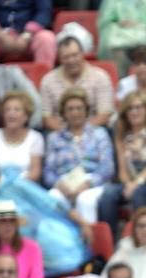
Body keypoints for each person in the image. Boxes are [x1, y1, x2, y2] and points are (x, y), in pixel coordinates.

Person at [0, 152, 91, 274]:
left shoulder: (16, 185)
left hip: (41, 240)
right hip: (0, 253)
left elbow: (52, 203)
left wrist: (82, 223)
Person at [97, 91, 146, 238]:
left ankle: (141, 238)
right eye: (130, 108)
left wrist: (136, 183)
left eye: (139, 107)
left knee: (138, 193)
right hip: (131, 180)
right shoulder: (121, 132)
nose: (135, 112)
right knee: (108, 194)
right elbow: (122, 167)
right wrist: (128, 183)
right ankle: (110, 241)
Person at [43, 88, 115, 226]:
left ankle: (89, 242)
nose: (75, 113)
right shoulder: (54, 138)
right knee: (53, 198)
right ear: (63, 113)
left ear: (86, 111)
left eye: (79, 108)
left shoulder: (99, 134)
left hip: (92, 181)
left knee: (85, 199)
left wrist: (87, 184)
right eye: (70, 109)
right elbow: (48, 171)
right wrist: (59, 185)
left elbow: (107, 168)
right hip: (64, 182)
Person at [40, 35, 114, 133]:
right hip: (60, 133)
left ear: (82, 54)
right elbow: (47, 117)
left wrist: (80, 132)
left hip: (94, 132)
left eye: (75, 55)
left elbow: (105, 114)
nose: (71, 60)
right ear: (59, 59)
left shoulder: (100, 77)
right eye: (66, 57)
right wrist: (68, 133)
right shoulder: (48, 80)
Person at [0, 90, 44, 180]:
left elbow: (35, 172)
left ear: (26, 115)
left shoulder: (36, 138)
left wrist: (16, 184)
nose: (11, 114)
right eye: (7, 110)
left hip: (24, 188)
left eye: (17, 110)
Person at [0, 0, 56, 67]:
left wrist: (27, 35)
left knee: (47, 38)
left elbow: (44, 13)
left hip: (30, 34)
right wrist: (0, 34)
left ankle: (43, 80)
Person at [97, 0, 146, 77]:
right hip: (119, 33)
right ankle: (120, 82)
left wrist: (140, 23)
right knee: (114, 47)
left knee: (143, 50)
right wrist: (119, 23)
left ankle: (144, 81)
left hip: (145, 32)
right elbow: (105, 19)